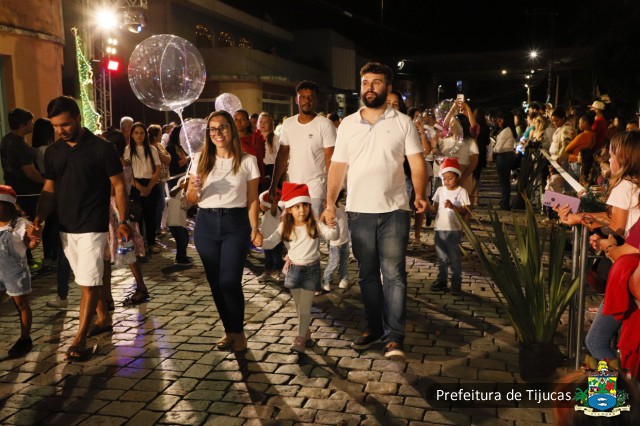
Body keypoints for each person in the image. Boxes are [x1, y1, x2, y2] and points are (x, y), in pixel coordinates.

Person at [324, 62, 428, 360]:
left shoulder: (403, 123)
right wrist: (330, 203)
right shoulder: (347, 124)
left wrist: (420, 194)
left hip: (395, 210)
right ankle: (373, 328)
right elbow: (337, 167)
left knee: (394, 274)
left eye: (376, 82)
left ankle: (394, 337)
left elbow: (416, 162)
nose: (370, 87)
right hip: (359, 212)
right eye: (366, 82)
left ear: (388, 87)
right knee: (367, 275)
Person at [35, 96, 131, 361]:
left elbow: (119, 185)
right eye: (55, 126)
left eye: (65, 124)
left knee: (88, 283)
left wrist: (123, 221)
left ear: (78, 118)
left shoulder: (102, 148)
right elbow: (49, 189)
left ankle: (79, 340)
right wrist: (39, 218)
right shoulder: (53, 152)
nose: (60, 130)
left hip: (93, 225)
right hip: (66, 226)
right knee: (86, 277)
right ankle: (103, 317)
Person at [556, 131, 640, 363]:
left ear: (623, 158)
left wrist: (604, 243)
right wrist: (582, 217)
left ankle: (607, 388)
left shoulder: (624, 185)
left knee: (595, 342)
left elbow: (617, 229)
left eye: (611, 155)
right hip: (630, 275)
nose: (608, 159)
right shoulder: (634, 184)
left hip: (627, 275)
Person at [186, 110, 262, 353]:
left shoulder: (247, 161)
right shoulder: (200, 159)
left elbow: (252, 199)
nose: (217, 133)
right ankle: (230, 331)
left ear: (232, 130)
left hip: (235, 225)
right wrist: (194, 187)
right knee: (216, 283)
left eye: (222, 127)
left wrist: (255, 228)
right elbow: (190, 200)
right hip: (206, 225)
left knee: (229, 281)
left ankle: (238, 332)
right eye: (212, 129)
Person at [260, 182, 338, 352]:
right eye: (297, 207)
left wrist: (333, 223)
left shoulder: (314, 223)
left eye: (305, 205)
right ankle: (306, 334)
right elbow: (271, 242)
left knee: (305, 307)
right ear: (289, 209)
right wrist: (259, 241)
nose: (302, 210)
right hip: (293, 270)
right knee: (298, 306)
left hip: (311, 270)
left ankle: (300, 339)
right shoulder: (285, 226)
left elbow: (333, 235)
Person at [269, 81, 336, 216]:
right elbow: (282, 156)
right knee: (291, 228)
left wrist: (331, 193)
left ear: (316, 100)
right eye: (303, 97)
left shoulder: (325, 124)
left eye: (311, 97)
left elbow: (331, 160)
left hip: (316, 189)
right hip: (292, 188)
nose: (307, 101)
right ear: (297, 100)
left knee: (313, 228)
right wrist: (273, 185)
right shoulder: (288, 124)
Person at [0, 108, 44, 269]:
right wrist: (46, 181)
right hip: (27, 191)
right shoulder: (21, 146)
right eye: (30, 122)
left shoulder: (6, 140)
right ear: (22, 125)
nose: (32, 125)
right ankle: (26, 258)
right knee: (25, 226)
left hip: (12, 189)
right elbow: (30, 172)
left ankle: (20, 257)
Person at [0, 185, 40, 357]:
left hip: (15, 272)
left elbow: (30, 245)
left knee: (21, 305)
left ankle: (25, 338)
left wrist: (35, 239)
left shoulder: (20, 224)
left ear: (7, 205)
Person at [429, 158, 470, 295]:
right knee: (441, 258)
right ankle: (441, 281)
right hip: (439, 229)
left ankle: (456, 284)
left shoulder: (461, 191)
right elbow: (435, 207)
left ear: (457, 177)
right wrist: (427, 207)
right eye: (444, 178)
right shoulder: (440, 190)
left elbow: (466, 211)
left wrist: (453, 207)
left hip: (454, 230)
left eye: (450, 178)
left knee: (454, 258)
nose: (446, 181)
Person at [125, 123, 162, 254]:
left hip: (150, 183)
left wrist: (149, 187)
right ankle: (139, 245)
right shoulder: (128, 150)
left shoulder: (152, 149)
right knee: (137, 217)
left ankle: (151, 242)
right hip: (134, 185)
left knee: (150, 215)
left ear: (145, 135)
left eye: (142, 133)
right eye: (136, 133)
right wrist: (140, 188)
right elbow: (127, 172)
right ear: (132, 135)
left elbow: (157, 169)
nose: (139, 135)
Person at [322, 189, 350, 291]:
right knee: (333, 262)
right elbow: (321, 222)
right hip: (334, 243)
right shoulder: (328, 209)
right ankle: (326, 279)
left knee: (344, 262)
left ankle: (343, 278)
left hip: (345, 241)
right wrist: (327, 221)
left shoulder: (343, 208)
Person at [147, 124, 172, 235]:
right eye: (160, 134)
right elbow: (164, 159)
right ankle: (156, 229)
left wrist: (165, 158)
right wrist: (164, 157)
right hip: (155, 180)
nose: (162, 136)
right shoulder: (150, 148)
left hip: (162, 179)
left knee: (161, 205)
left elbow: (168, 159)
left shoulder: (159, 146)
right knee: (158, 204)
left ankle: (157, 228)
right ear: (154, 135)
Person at [235, 109, 267, 192]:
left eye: (242, 119)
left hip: (253, 178)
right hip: (235, 179)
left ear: (248, 122)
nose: (239, 122)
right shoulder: (229, 139)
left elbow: (260, 160)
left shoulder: (256, 138)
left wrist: (261, 180)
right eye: (236, 119)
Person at [257, 189, 284, 282]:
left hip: (276, 240)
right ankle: (267, 272)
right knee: (268, 258)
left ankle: (281, 272)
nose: (260, 205)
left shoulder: (274, 210)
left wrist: (273, 201)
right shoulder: (265, 213)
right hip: (266, 240)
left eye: (261, 203)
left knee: (277, 258)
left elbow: (274, 206)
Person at [166, 176, 193, 266]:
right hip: (174, 222)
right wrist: (180, 187)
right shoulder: (176, 190)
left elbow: (188, 206)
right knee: (182, 240)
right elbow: (171, 194)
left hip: (180, 222)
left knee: (184, 240)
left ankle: (182, 256)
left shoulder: (186, 194)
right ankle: (180, 259)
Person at [493, 112, 517, 210]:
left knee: (504, 181)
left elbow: (498, 147)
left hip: (503, 156)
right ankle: (504, 201)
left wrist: (493, 151)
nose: (500, 121)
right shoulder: (510, 130)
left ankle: (504, 203)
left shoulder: (506, 130)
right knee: (505, 181)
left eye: (501, 119)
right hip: (508, 155)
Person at [258, 112, 280, 191]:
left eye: (266, 122)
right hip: (258, 170)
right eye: (261, 122)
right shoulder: (255, 138)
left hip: (271, 170)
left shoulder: (276, 138)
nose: (263, 124)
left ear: (270, 124)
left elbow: (280, 156)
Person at [166, 125, 189, 191]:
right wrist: (185, 160)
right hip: (175, 178)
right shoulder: (169, 148)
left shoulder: (179, 146)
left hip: (182, 175)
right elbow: (172, 165)